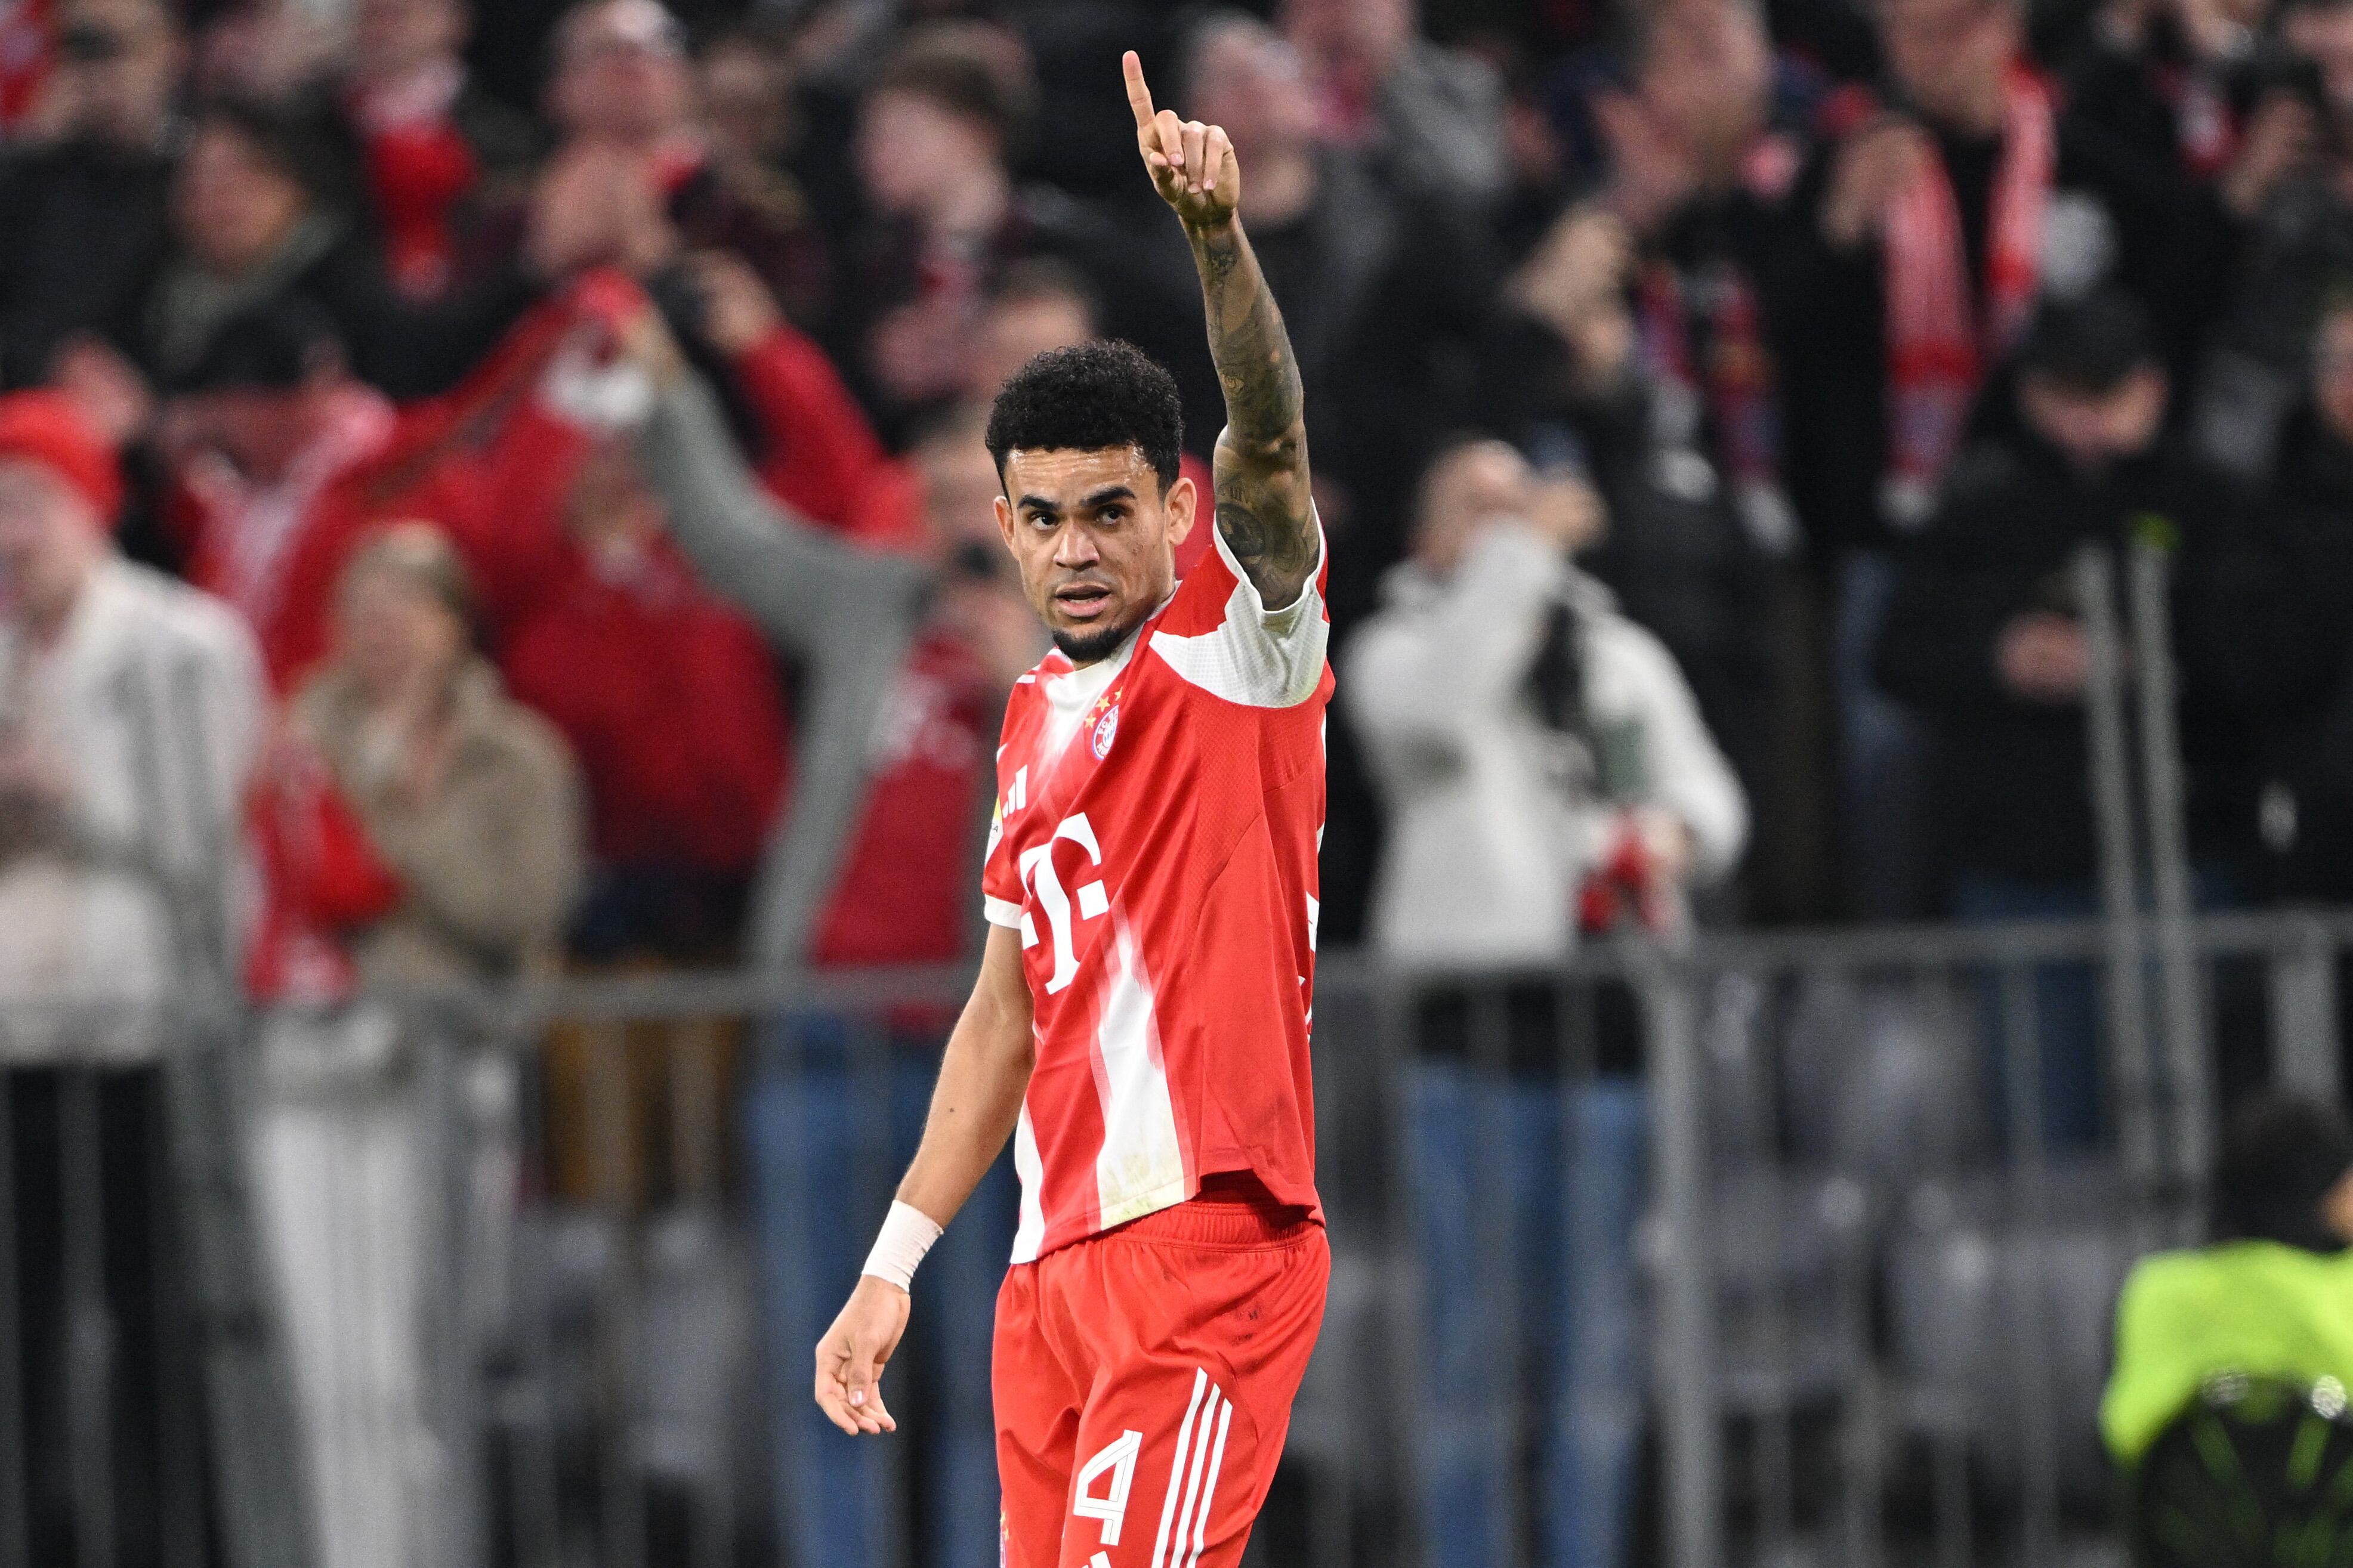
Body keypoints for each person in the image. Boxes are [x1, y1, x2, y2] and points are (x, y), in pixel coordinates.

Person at [813, 52, 1332, 1567]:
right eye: (1040, 517)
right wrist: (896, 1260)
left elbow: (1276, 447)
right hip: (1047, 1279)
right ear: (1002, 526)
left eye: (1110, 509)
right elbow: (1005, 1010)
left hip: (1207, 1245)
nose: (1075, 548)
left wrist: (1218, 245)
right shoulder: (1032, 717)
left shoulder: (1240, 650)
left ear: (1174, 509)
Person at [1343, 434, 1747, 1568]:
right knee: (1470, 1358)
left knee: (1598, 1359)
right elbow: (1442, 705)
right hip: (1467, 1049)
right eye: (1473, 507)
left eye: (1518, 503)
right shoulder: (1393, 649)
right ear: (1426, 536)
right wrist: (1514, 564)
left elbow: (1712, 794)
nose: (1507, 525)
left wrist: (1674, 833)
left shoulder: (1614, 652)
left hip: (1610, 1039)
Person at [247, 522, 583, 1568]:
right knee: (328, 1362)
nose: (380, 630)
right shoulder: (290, 739)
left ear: (455, 624)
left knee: (427, 1358)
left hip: (443, 1073)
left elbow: (513, 903)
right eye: (362, 608)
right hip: (306, 1067)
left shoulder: (512, 750)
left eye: (405, 606)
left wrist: (371, 838)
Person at [1874, 290, 2251, 1144]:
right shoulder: (1982, 504)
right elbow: (1896, 651)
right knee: (2049, 1129)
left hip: (2185, 851)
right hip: (2024, 862)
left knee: (2194, 1120)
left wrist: (2150, 657)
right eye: (2062, 395)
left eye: (2104, 395)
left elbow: (2262, 654)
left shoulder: (2207, 500)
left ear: (2150, 389)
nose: (2082, 422)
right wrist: (2000, 655)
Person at [0, 390, 270, 1568]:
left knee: (160, 1313)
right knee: (23, 1331)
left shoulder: (183, 641)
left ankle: (180, 1539)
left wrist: (71, 801)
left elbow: (215, 839)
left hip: (147, 1029)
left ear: (88, 506)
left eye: (28, 503)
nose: (11, 535)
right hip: (20, 1030)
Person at [2102, 1090, 2353, 1475]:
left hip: (2185, 1529)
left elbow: (2123, 1434)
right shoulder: (2339, 1285)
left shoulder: (2155, 1288)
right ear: (2323, 1191)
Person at [0, 0, 184, 390]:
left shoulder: (202, 160)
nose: (101, 67)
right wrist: (28, 152)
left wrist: (139, 147)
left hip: (139, 398)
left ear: (172, 50)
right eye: (83, 46)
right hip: (26, 388)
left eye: (119, 46)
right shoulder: (34, 165)